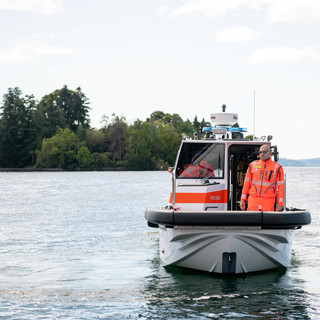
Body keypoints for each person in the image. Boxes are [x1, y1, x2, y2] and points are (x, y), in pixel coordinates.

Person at [240, 144, 284, 212]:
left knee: (268, 221)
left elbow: (281, 187)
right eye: (260, 152)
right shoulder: (252, 165)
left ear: (270, 153)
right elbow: (246, 184)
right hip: (253, 201)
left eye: (265, 152)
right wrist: (243, 200)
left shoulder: (278, 167)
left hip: (268, 201)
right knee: (251, 221)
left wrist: (280, 203)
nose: (262, 154)